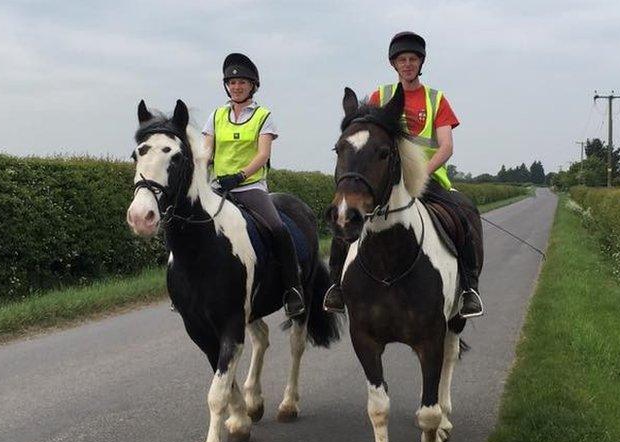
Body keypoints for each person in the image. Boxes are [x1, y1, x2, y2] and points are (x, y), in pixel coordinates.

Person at [323, 31, 484, 318]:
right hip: (388, 179)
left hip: (427, 178)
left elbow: (446, 146)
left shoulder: (436, 99)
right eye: (402, 60)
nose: (407, 64)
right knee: (346, 216)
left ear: (421, 63)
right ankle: (335, 285)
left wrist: (422, 173)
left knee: (462, 215)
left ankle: (470, 288)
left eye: (412, 59)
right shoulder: (380, 96)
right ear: (394, 64)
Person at [203, 52, 305, 317]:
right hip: (218, 187)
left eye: (242, 83)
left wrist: (239, 176)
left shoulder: (263, 115)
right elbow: (206, 151)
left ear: (252, 86)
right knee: (187, 223)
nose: (236, 87)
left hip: (249, 187)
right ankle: (185, 285)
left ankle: (293, 289)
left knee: (278, 228)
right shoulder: (215, 116)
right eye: (232, 83)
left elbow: (263, 155)